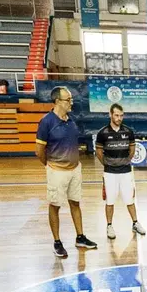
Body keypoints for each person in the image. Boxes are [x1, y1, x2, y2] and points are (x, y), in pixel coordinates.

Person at [35, 86, 98, 258]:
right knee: (55, 206)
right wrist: (50, 165)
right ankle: (57, 242)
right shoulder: (46, 122)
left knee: (75, 203)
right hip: (57, 171)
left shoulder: (71, 120)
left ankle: (80, 237)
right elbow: (39, 150)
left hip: (75, 170)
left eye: (71, 99)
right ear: (57, 101)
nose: (71, 102)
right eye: (68, 99)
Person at [95, 103, 145, 239]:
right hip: (110, 172)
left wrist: (125, 160)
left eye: (121, 115)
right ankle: (109, 226)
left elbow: (132, 149)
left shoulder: (128, 131)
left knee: (130, 199)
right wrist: (107, 163)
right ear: (110, 115)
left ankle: (135, 223)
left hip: (126, 171)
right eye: (116, 115)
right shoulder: (102, 133)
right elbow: (98, 152)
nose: (119, 118)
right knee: (110, 200)